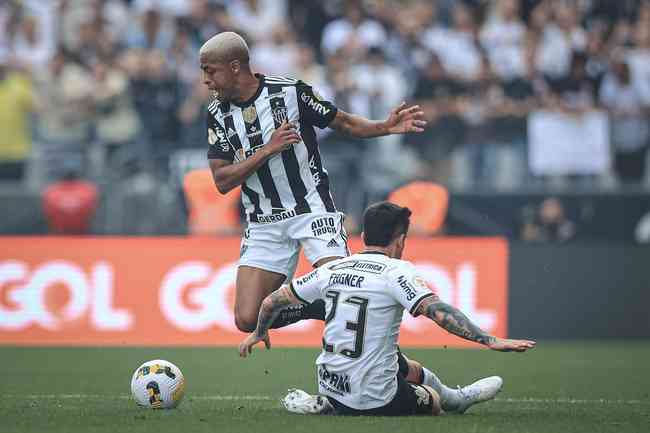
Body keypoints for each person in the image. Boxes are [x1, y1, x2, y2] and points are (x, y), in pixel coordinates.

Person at [199, 32, 426, 332]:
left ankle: (399, 372)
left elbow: (342, 122)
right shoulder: (217, 112)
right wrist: (268, 149)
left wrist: (383, 127)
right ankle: (318, 308)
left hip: (312, 211)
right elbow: (222, 180)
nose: (206, 80)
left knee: (348, 292)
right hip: (264, 221)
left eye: (210, 71)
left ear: (235, 66)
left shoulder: (291, 92)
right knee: (248, 318)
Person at [239, 201, 536, 416]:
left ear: (364, 237)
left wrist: (259, 331)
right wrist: (488, 339)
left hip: (330, 382)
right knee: (432, 401)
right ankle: (454, 401)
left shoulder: (334, 269)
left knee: (405, 366)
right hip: (375, 398)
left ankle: (331, 403)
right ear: (401, 240)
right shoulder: (396, 271)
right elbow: (437, 311)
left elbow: (271, 301)